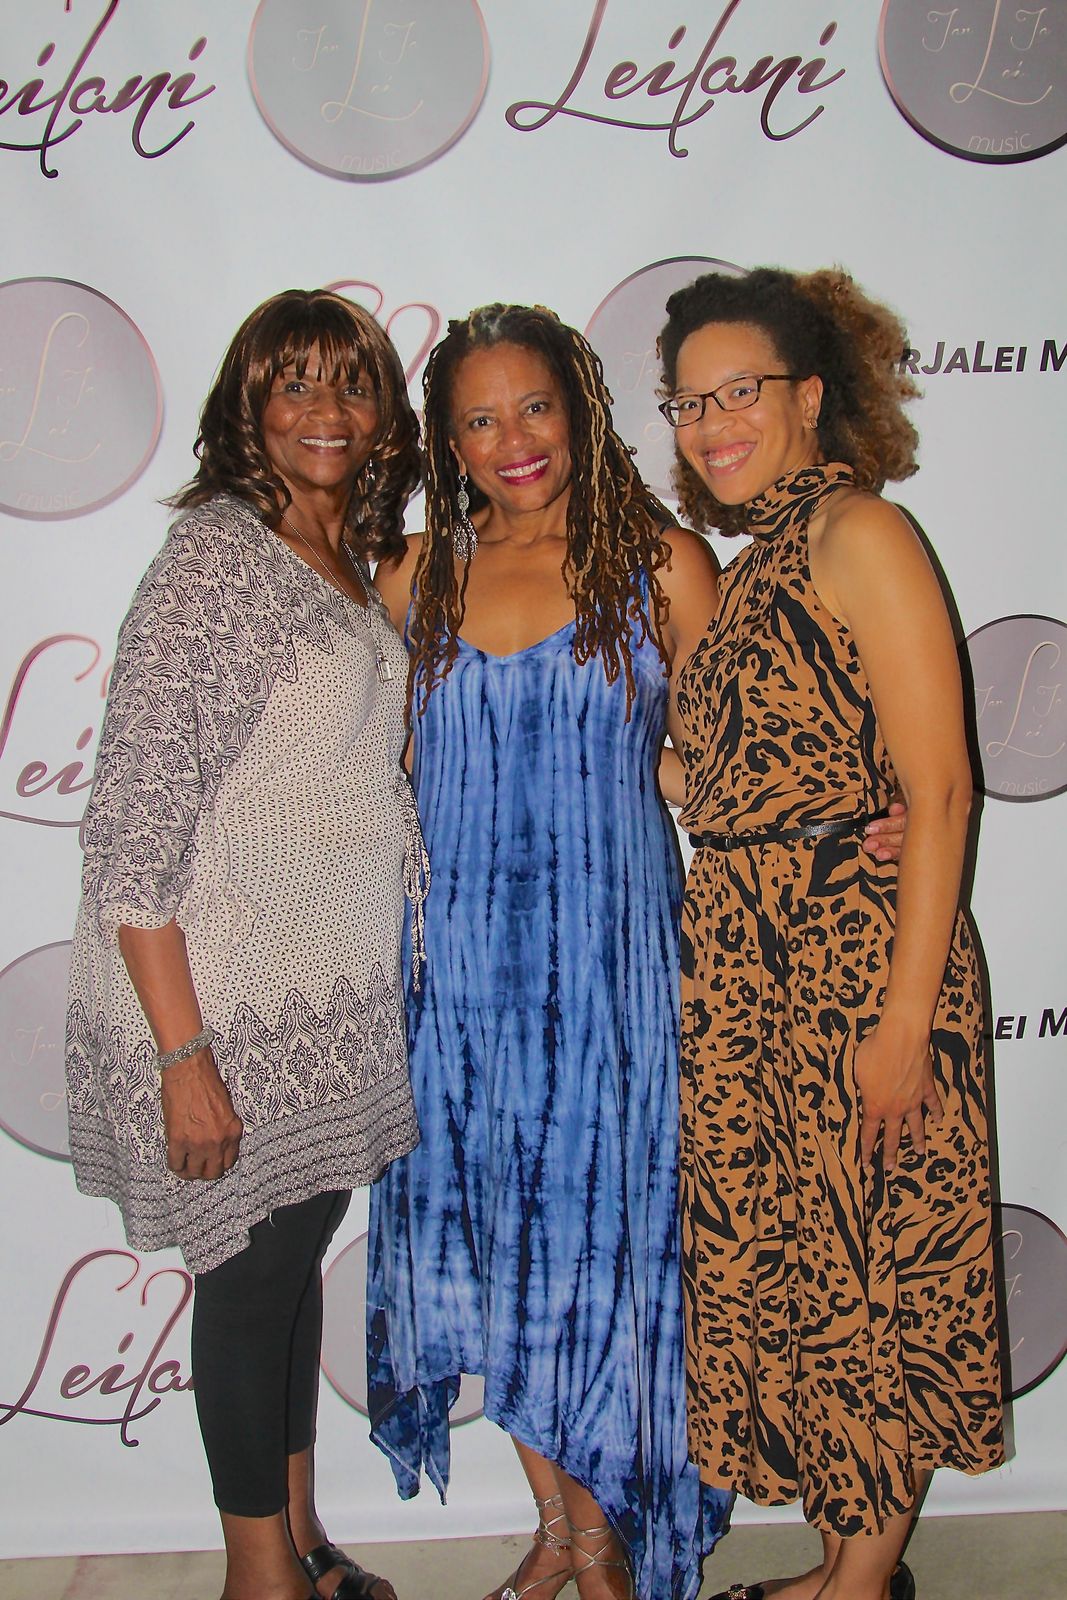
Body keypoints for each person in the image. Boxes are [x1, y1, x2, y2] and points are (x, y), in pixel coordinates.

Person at [363, 304, 902, 1600]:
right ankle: (567, 1533)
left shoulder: (663, 564)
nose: (512, 440)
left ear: (580, 408)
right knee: (499, 1259)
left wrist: (848, 809)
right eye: (479, 419)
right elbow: (377, 773)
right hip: (461, 986)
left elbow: (719, 765)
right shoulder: (410, 577)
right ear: (448, 441)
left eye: (533, 407)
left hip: (614, 979)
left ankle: (603, 1538)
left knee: (605, 1267)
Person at [64, 288, 425, 1600]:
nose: (327, 410)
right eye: (294, 384)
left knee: (288, 1266)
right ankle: (258, 1579)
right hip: (220, 1005)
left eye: (352, 383)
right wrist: (184, 1058)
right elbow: (132, 826)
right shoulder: (220, 556)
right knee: (250, 1280)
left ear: (384, 414)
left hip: (317, 1004)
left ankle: (301, 1539)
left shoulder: (351, 557)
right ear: (247, 408)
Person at [657, 267, 1004, 1600]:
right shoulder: (756, 566)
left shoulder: (864, 532)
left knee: (875, 1270)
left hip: (855, 965)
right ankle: (844, 1563)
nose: (712, 423)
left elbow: (943, 789)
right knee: (813, 1273)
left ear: (810, 396)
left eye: (739, 391)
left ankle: (861, 1588)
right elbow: (734, 783)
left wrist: (906, 1020)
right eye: (689, 402)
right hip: (754, 971)